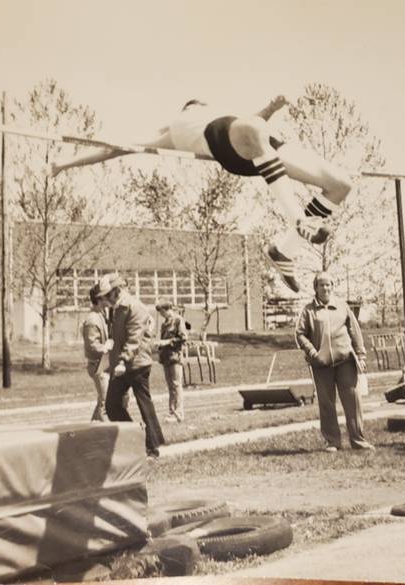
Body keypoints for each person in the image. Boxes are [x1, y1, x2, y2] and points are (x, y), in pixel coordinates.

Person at [50, 95, 352, 294]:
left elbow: (253, 128)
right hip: (226, 141)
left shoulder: (233, 117)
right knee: (252, 127)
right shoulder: (170, 131)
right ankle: (298, 219)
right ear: (187, 108)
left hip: (261, 146)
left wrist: (271, 109)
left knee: (340, 184)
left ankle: (285, 249)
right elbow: (114, 148)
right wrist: (64, 164)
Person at [295, 272, 374, 452]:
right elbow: (299, 334)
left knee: (352, 401)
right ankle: (332, 442)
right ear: (316, 288)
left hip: (345, 361)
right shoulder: (308, 310)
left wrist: (361, 356)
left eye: (328, 285)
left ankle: (358, 440)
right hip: (321, 365)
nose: (325, 288)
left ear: (333, 286)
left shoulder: (342, 307)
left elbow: (355, 333)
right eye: (321, 285)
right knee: (327, 403)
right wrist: (312, 352)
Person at [99, 274, 166, 458]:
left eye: (107, 295)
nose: (105, 300)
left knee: (144, 403)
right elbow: (118, 338)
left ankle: (152, 447)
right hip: (121, 364)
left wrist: (122, 361)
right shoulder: (117, 308)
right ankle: (136, 439)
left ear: (117, 291)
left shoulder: (135, 307)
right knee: (112, 405)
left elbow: (134, 339)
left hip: (137, 364)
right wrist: (111, 362)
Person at [82, 282, 114, 421]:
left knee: (103, 400)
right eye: (107, 296)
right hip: (97, 365)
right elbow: (92, 346)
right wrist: (106, 346)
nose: (110, 298)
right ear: (99, 299)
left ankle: (93, 425)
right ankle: (104, 433)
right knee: (106, 403)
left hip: (103, 364)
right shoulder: (92, 319)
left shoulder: (101, 314)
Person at [155, 299, 189, 423]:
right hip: (166, 357)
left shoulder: (178, 320)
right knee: (170, 387)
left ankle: (179, 413)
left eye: (161, 311)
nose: (161, 314)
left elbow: (183, 337)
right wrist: (159, 344)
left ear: (166, 309)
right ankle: (172, 412)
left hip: (175, 356)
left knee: (176, 385)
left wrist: (168, 342)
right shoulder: (165, 324)